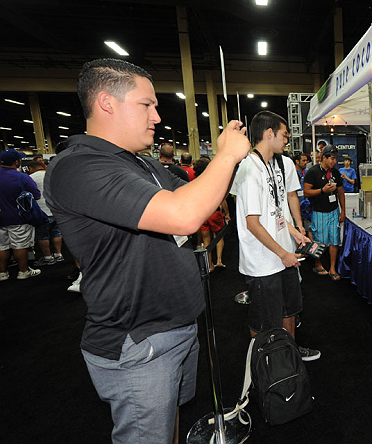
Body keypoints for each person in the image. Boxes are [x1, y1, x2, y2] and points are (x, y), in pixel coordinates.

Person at [44, 58, 250, 444]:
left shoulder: (142, 163)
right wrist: (224, 155)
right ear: (106, 102)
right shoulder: (80, 167)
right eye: (147, 105)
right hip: (139, 340)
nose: (156, 116)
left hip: (177, 324)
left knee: (169, 417)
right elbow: (185, 215)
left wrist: (230, 160)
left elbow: (199, 196)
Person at [230, 110, 320, 361]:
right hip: (263, 262)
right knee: (263, 319)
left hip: (284, 255)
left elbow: (276, 211)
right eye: (284, 135)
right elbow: (253, 224)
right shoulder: (250, 169)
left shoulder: (275, 164)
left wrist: (295, 232)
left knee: (290, 309)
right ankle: (266, 364)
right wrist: (282, 254)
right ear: (269, 134)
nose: (286, 141)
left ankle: (289, 357)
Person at [304, 144, 346, 280]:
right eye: (332, 158)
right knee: (319, 240)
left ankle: (333, 267)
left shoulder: (335, 173)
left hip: (334, 210)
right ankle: (318, 264)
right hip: (319, 211)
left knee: (334, 240)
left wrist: (343, 211)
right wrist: (322, 190)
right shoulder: (313, 172)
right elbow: (306, 192)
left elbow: (341, 192)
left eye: (335, 159)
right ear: (324, 157)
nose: (334, 161)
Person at [0, 149, 42, 281]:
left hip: (1, 219)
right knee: (20, 245)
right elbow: (37, 195)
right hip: (18, 217)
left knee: (2, 246)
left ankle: (2, 273)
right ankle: (23, 271)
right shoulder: (21, 177)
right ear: (16, 162)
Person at [28, 160, 64, 266]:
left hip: (41, 211)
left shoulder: (31, 178)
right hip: (55, 209)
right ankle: (58, 254)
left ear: (31, 168)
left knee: (43, 236)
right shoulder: (52, 175)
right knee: (57, 233)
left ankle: (47, 257)